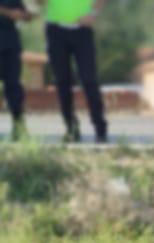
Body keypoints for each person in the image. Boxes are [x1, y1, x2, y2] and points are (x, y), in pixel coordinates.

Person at [41, 0, 104, 143]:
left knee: (89, 80)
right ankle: (71, 129)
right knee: (62, 81)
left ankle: (100, 127)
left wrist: (93, 13)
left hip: (82, 30)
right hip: (55, 30)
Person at [0, 0, 31, 141]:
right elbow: (11, 12)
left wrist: (25, 14)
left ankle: (18, 127)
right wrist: (9, 12)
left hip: (10, 42)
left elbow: (26, 15)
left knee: (13, 86)